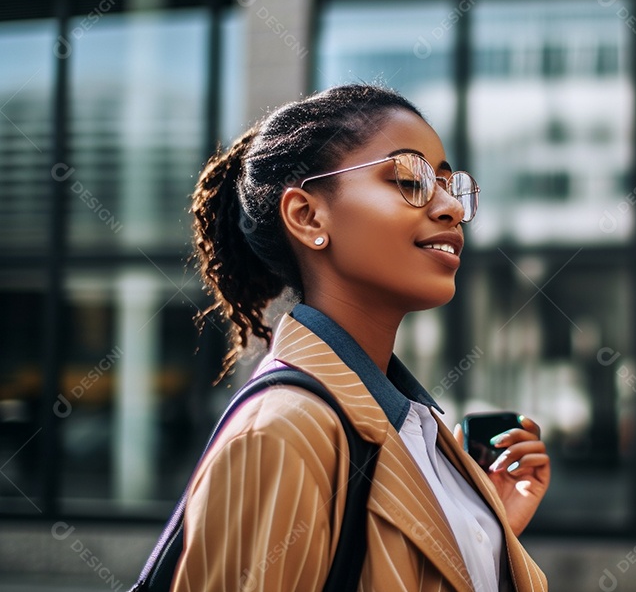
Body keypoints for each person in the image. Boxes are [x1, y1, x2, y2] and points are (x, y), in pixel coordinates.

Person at [179, 83, 550, 591]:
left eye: (449, 185)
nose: (451, 208)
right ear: (307, 215)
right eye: (410, 180)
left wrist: (481, 530)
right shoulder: (283, 432)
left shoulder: (420, 431)